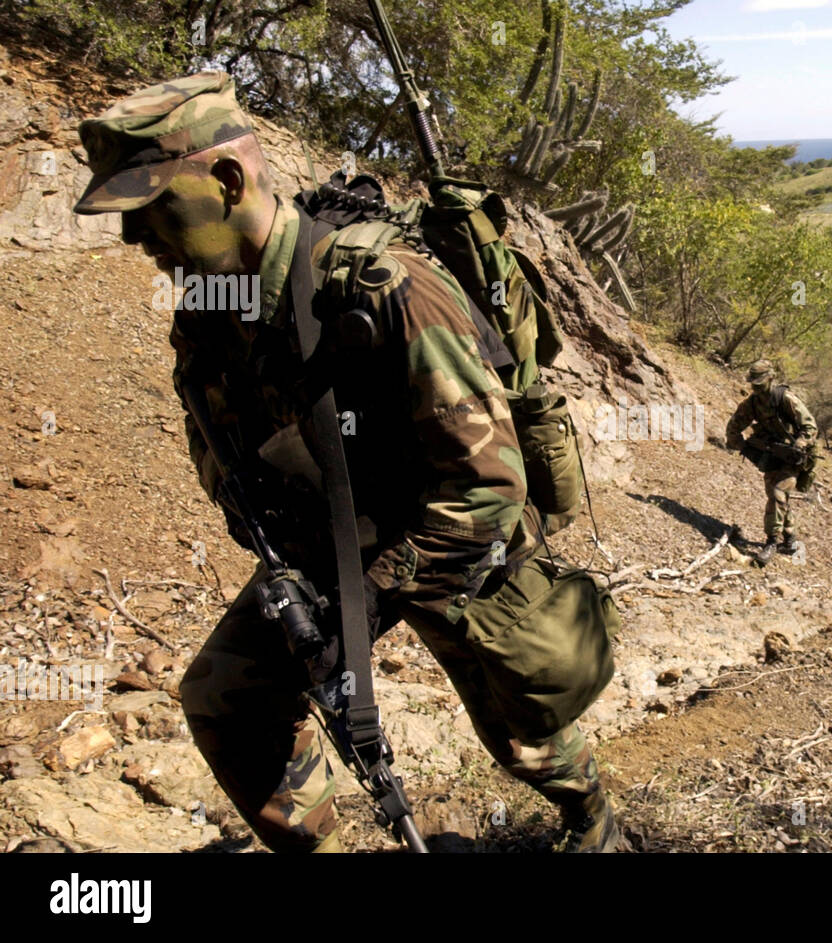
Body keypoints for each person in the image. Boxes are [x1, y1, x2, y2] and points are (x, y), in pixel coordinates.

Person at [73, 72, 623, 853]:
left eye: (152, 207)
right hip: (327, 540)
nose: (135, 238)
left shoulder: (390, 289)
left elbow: (489, 485)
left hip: (441, 529)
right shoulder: (208, 310)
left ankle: (592, 819)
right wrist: (298, 581)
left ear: (227, 181)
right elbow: (220, 445)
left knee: (523, 727)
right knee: (226, 695)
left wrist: (365, 597)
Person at [725, 360, 819, 565]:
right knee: (777, 496)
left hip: (793, 456)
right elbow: (733, 427)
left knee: (778, 493)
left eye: (760, 383)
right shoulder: (751, 404)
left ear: (770, 378)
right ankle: (789, 537)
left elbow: (810, 426)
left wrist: (801, 443)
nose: (756, 387)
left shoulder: (785, 398)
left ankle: (772, 542)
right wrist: (744, 447)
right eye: (754, 384)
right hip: (771, 455)